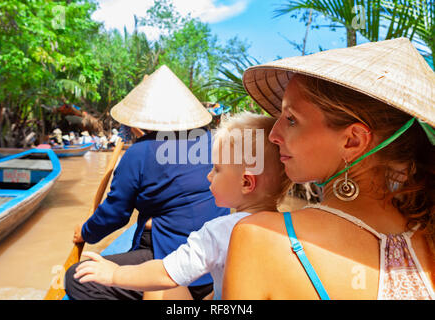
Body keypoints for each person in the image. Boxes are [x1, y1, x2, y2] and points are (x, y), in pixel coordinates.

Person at [223, 38, 434, 300]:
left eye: (291, 119)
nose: (273, 134)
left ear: (352, 140)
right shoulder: (428, 237)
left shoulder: (262, 237)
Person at [72, 112, 292, 300]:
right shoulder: (291, 227)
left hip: (176, 266)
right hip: (207, 281)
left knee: (77, 278)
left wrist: (113, 274)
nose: (208, 175)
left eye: (216, 169)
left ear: (246, 183)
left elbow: (164, 273)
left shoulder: (219, 231)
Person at [64, 65, 230, 300]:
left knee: (78, 278)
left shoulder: (140, 153)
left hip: (174, 267)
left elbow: (115, 215)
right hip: (215, 261)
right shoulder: (212, 140)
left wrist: (86, 232)